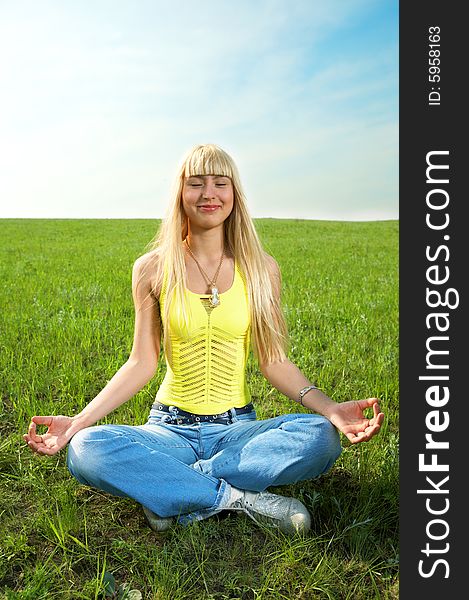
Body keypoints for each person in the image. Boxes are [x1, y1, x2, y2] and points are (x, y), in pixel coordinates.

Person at [24, 143, 384, 535]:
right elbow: (141, 362)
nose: (208, 193)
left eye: (220, 183)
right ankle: (237, 498)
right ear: (181, 193)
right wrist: (78, 422)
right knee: (85, 449)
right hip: (168, 428)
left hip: (237, 431)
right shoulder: (152, 269)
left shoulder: (263, 270)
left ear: (234, 195)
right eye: (196, 183)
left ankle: (174, 488)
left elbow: (274, 361)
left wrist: (331, 408)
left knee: (322, 438)